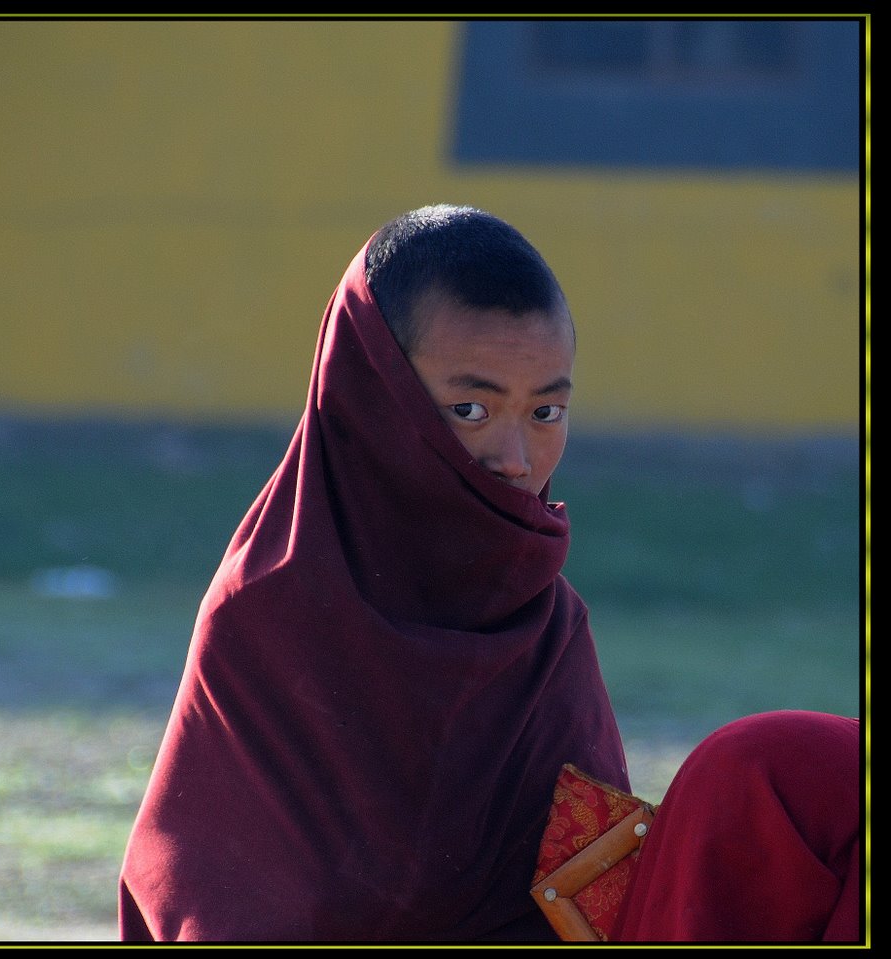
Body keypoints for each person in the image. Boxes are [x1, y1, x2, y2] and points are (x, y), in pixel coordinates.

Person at [118, 205, 862, 943]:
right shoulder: (272, 613)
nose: (514, 457)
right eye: (469, 407)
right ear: (373, 401)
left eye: (546, 412)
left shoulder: (545, 625)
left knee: (788, 773)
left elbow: (589, 903)